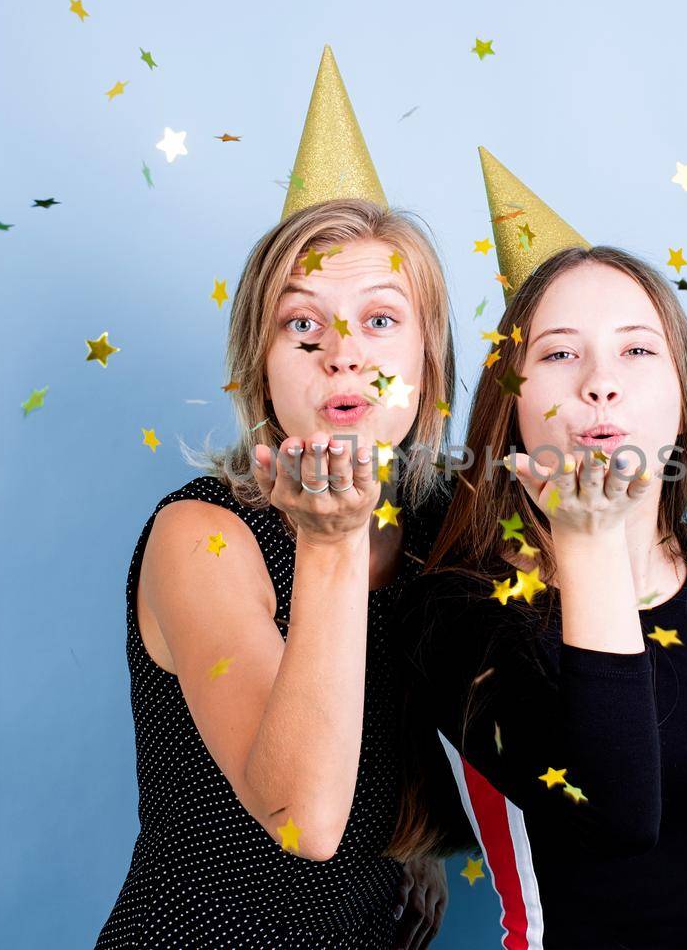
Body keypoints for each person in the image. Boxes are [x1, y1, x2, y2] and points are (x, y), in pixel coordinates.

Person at [389, 148, 687, 949]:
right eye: (559, 353)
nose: (599, 382)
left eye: (637, 350)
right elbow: (614, 815)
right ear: (513, 406)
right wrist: (591, 537)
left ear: (683, 397)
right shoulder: (459, 611)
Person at [95, 46, 458, 950]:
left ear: (427, 363)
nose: (341, 352)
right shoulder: (204, 536)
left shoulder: (445, 535)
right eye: (302, 322)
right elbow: (306, 819)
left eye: (380, 319)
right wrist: (331, 541)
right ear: (262, 366)